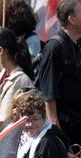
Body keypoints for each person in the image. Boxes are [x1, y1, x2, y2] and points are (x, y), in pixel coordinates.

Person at [35, 0, 81, 147]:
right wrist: (58, 135)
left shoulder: (78, 44)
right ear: (71, 19)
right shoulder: (55, 48)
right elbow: (49, 96)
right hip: (67, 131)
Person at [0, 29, 36, 139]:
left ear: (1, 50)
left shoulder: (20, 80)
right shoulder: (2, 74)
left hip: (9, 143)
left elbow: (4, 122)